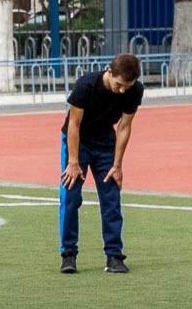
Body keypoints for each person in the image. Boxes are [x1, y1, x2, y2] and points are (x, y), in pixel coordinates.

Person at [59, 52, 144, 274]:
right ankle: (69, 253)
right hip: (77, 141)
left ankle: (114, 255)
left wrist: (117, 165)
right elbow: (74, 124)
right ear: (109, 72)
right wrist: (74, 161)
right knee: (71, 196)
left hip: (106, 143)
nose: (122, 90)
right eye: (119, 85)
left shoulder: (134, 90)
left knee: (111, 199)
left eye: (128, 85)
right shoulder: (85, 85)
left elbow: (124, 126)